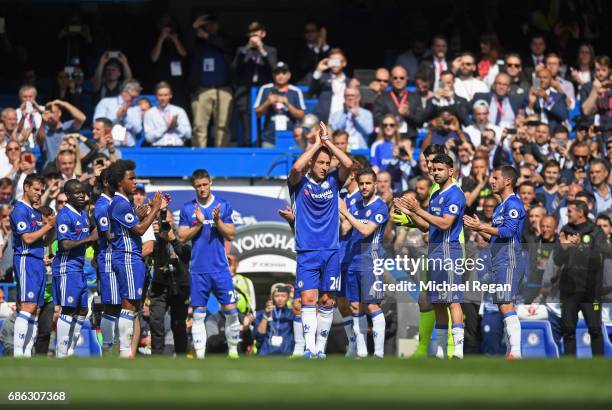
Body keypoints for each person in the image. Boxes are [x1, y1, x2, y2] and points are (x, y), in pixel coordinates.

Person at [287, 122, 352, 358]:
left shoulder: (334, 182)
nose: (325, 167)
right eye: (321, 162)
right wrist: (316, 145)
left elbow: (348, 164)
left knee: (327, 300)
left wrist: (329, 143)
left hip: (331, 250)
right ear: (312, 163)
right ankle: (309, 348)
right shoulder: (299, 183)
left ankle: (320, 350)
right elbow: (296, 167)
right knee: (308, 299)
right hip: (307, 250)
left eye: (327, 163)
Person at [400, 153, 467, 359]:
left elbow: (446, 223)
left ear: (451, 171)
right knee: (437, 302)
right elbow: (429, 226)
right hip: (434, 252)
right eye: (433, 169)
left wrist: (418, 209)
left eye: (440, 169)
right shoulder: (436, 194)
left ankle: (458, 351)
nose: (435, 172)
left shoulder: (455, 194)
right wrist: (410, 215)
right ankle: (439, 351)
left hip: (449, 252)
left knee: (453, 301)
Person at [464, 165, 526, 360]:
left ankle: (516, 352)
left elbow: (508, 233)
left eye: (495, 177)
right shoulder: (500, 206)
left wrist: (481, 225)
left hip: (509, 258)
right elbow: (494, 238)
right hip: (498, 258)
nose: (491, 180)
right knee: (502, 304)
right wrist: (477, 229)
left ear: (507, 181)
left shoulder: (513, 204)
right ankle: (512, 350)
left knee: (506, 304)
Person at [178, 169, 240, 359]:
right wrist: (198, 223)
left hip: (220, 269)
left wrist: (216, 220)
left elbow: (231, 234)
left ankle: (233, 352)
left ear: (210, 183)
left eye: (205, 185)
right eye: (198, 186)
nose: (202, 189)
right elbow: (181, 237)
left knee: (231, 312)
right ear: (193, 187)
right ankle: (200, 356)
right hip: (198, 270)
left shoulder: (223, 205)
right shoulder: (188, 209)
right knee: (197, 315)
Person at [108, 160, 163, 358]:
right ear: (119, 182)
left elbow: (133, 227)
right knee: (129, 306)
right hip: (127, 257)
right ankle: (125, 352)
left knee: (131, 306)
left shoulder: (123, 204)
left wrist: (139, 216)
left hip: (127, 257)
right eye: (130, 178)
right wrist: (155, 208)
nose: (135, 182)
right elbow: (139, 230)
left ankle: (125, 351)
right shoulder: (120, 204)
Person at [339, 168, 389, 358]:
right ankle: (360, 351)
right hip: (352, 260)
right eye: (362, 183)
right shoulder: (355, 205)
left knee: (372, 306)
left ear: (375, 184)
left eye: (368, 183)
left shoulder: (380, 206)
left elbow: (366, 230)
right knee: (354, 306)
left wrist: (347, 214)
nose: (365, 187)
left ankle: (379, 353)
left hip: (370, 260)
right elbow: (344, 229)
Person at [554, 200, 610, 356]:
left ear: (580, 213)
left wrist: (578, 247)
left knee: (595, 329)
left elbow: (598, 259)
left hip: (591, 291)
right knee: (568, 330)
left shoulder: (596, 232)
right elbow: (558, 260)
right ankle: (569, 368)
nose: (567, 214)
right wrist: (565, 248)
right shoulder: (565, 230)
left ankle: (598, 366)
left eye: (570, 211)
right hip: (569, 291)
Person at [10, 174, 56, 357]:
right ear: (26, 187)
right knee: (28, 306)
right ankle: (18, 353)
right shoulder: (19, 210)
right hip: (25, 259)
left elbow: (43, 241)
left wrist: (51, 228)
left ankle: (27, 353)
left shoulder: (36, 212)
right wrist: (48, 225)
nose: (39, 193)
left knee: (35, 309)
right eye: (36, 189)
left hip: (37, 261)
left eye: (42, 191)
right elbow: (27, 238)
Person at [52, 179, 98, 357]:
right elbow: (64, 244)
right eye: (77, 193)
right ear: (68, 196)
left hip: (78, 267)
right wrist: (89, 239)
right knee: (69, 309)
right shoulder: (64, 215)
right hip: (66, 266)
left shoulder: (83, 214)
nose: (81, 195)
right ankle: (61, 352)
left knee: (83, 310)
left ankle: (70, 349)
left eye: (83, 192)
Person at [149, 204, 190, 355]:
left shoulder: (182, 234)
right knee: (156, 321)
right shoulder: (154, 235)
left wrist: (172, 238)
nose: (166, 224)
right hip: (160, 284)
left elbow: (186, 255)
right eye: (162, 221)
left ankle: (181, 357)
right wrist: (157, 237)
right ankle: (157, 357)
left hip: (180, 285)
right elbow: (151, 254)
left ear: (173, 221)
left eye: (168, 221)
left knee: (179, 324)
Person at [189, 14, 233, 148]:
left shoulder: (224, 38)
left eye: (214, 23)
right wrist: (194, 27)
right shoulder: (198, 41)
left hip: (223, 88)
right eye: (208, 24)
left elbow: (226, 46)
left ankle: (222, 153)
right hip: (202, 89)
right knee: (199, 125)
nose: (211, 26)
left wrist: (208, 37)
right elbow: (186, 47)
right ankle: (198, 154)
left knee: (222, 125)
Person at [232, 21, 278, 147]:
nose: (253, 37)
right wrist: (247, 48)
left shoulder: (270, 51)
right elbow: (234, 68)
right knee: (247, 123)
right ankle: (248, 147)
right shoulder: (242, 50)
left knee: (264, 119)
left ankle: (264, 145)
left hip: (264, 91)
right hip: (245, 93)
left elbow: (274, 69)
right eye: (251, 34)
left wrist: (261, 50)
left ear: (263, 34)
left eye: (256, 33)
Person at [94, 169, 119, 353]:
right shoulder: (102, 205)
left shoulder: (115, 202)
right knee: (111, 305)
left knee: (121, 305)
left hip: (119, 258)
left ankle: (116, 345)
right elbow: (108, 235)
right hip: (109, 259)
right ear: (105, 183)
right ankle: (108, 347)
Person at [254, 62, 305, 147]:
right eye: (277, 73)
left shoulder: (295, 91)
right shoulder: (265, 89)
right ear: (273, 75)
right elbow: (257, 113)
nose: (280, 76)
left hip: (291, 138)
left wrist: (288, 104)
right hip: (269, 138)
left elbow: (301, 115)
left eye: (284, 73)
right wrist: (267, 102)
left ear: (289, 75)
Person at [373, 65, 423, 140]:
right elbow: (377, 119)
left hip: (409, 139)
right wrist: (397, 114)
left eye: (402, 78)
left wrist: (408, 114)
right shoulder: (381, 98)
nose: (398, 80)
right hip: (388, 139)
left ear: (407, 78)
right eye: (395, 78)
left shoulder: (415, 97)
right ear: (390, 79)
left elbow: (420, 122)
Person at [149, 15, 188, 109]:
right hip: (161, 76)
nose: (166, 26)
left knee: (178, 103)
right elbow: (153, 58)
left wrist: (175, 40)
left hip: (177, 80)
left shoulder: (179, 36)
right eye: (164, 24)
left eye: (169, 24)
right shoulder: (154, 37)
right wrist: (161, 39)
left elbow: (184, 54)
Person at [93, 80, 143, 147]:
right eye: (133, 97)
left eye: (137, 97)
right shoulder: (106, 102)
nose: (135, 100)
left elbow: (138, 130)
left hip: (129, 147)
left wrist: (125, 117)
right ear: (124, 92)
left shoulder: (136, 108)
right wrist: (116, 117)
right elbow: (96, 122)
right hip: (108, 145)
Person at [37, 100, 86, 167]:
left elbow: (82, 118)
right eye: (48, 113)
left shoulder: (68, 127)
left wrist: (64, 103)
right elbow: (39, 141)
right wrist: (43, 122)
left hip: (69, 168)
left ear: (59, 113)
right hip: (50, 172)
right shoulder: (43, 130)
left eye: (52, 112)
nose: (50, 115)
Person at [310, 48, 352, 124]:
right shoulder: (322, 79)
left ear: (344, 63)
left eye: (338, 61)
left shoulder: (350, 82)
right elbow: (311, 90)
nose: (335, 64)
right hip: (325, 122)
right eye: (333, 61)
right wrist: (318, 70)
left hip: (345, 123)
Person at [144, 81, 192, 147]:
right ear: (156, 96)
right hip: (158, 148)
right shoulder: (149, 113)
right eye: (160, 95)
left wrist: (176, 126)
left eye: (166, 95)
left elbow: (188, 135)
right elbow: (149, 138)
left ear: (170, 95)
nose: (163, 98)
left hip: (178, 147)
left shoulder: (179, 111)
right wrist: (166, 127)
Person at [253, 285, 295, 355]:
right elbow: (259, 335)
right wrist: (266, 316)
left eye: (283, 296)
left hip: (287, 353)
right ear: (271, 297)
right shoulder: (261, 313)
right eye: (277, 296)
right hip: (266, 353)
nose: (280, 299)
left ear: (288, 298)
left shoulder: (292, 314)